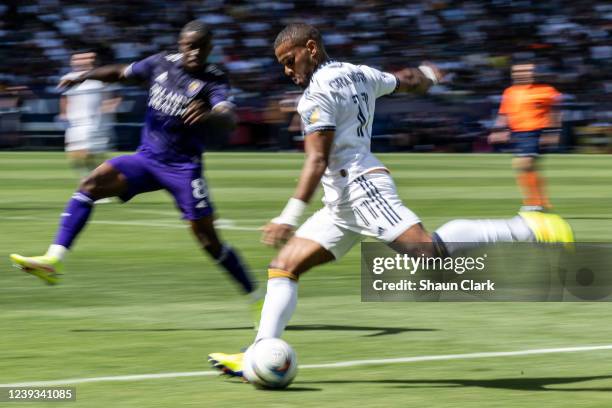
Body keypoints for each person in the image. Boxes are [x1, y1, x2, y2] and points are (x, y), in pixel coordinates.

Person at [208, 23, 573, 377]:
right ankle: (257, 353)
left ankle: (527, 226)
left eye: (290, 60)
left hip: (362, 188)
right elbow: (405, 81)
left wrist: (289, 215)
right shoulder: (358, 72)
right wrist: (428, 75)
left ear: (311, 49)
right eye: (282, 64)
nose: (287, 70)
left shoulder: (316, 95)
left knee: (428, 254)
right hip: (341, 202)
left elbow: (317, 159)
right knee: (284, 267)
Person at [10, 20, 261, 319]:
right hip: (147, 159)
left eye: (201, 47)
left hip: (183, 168)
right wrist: (82, 76)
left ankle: (258, 298)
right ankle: (54, 260)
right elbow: (120, 73)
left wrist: (210, 114)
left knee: (208, 240)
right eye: (189, 46)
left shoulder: (213, 80)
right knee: (91, 184)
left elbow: (228, 116)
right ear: (180, 45)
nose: (194, 52)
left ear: (210, 48)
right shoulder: (160, 64)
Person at [489, 63, 562, 211]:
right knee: (527, 167)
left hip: (536, 131)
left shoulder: (546, 90)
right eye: (517, 71)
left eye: (526, 71)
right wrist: (498, 130)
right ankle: (540, 202)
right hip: (518, 133)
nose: (521, 74)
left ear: (533, 73)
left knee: (523, 164)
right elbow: (504, 114)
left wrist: (553, 132)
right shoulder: (509, 92)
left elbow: (555, 112)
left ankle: (534, 203)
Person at [60, 52, 121, 183]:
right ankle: (89, 180)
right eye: (76, 60)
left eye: (84, 59)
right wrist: (64, 113)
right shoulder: (68, 77)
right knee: (75, 155)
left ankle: (100, 182)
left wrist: (110, 106)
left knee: (91, 154)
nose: (78, 62)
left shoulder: (102, 76)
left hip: (96, 123)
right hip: (75, 123)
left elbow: (116, 95)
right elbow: (64, 97)